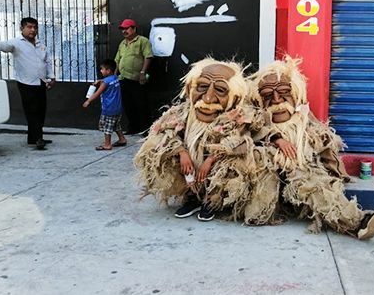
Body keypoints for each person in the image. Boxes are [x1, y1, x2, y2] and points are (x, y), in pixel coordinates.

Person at [244, 56, 374, 240]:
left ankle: (357, 223)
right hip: (269, 177)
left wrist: (331, 166)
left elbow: (325, 145)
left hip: (301, 173)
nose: (277, 100)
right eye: (268, 95)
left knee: (318, 186)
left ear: (295, 94)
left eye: (283, 93)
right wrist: (277, 140)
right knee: (258, 213)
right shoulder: (256, 118)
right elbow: (250, 132)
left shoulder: (304, 119)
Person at [134, 57, 257, 222]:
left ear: (234, 98)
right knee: (160, 146)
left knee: (235, 162)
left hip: (215, 165)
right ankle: (192, 197)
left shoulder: (237, 118)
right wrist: (181, 152)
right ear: (190, 88)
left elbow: (238, 141)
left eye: (220, 90)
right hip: (190, 167)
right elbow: (166, 133)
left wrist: (211, 159)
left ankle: (212, 201)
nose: (208, 98)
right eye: (203, 87)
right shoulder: (181, 113)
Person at [0, 17, 55, 150]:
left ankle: (33, 138)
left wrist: (51, 77)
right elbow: (1, 46)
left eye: (35, 27)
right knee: (32, 111)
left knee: (41, 111)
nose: (33, 30)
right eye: (29, 27)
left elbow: (47, 62)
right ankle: (38, 139)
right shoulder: (16, 43)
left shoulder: (41, 45)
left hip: (40, 82)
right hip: (26, 83)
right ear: (22, 29)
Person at [114, 18, 153, 135]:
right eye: (122, 29)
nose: (124, 31)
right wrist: (114, 75)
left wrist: (142, 73)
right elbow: (117, 60)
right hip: (123, 78)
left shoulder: (143, 41)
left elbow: (148, 57)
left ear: (134, 28)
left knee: (141, 104)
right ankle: (133, 127)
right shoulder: (122, 43)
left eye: (127, 28)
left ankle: (146, 129)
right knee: (128, 105)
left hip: (137, 79)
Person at [82, 59, 127, 151]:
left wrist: (88, 101)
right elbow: (108, 80)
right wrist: (100, 80)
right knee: (115, 124)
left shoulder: (105, 83)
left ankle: (107, 144)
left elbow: (97, 93)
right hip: (117, 108)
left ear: (108, 70)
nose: (101, 71)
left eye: (102, 69)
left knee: (107, 127)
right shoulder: (115, 78)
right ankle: (122, 139)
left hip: (109, 109)